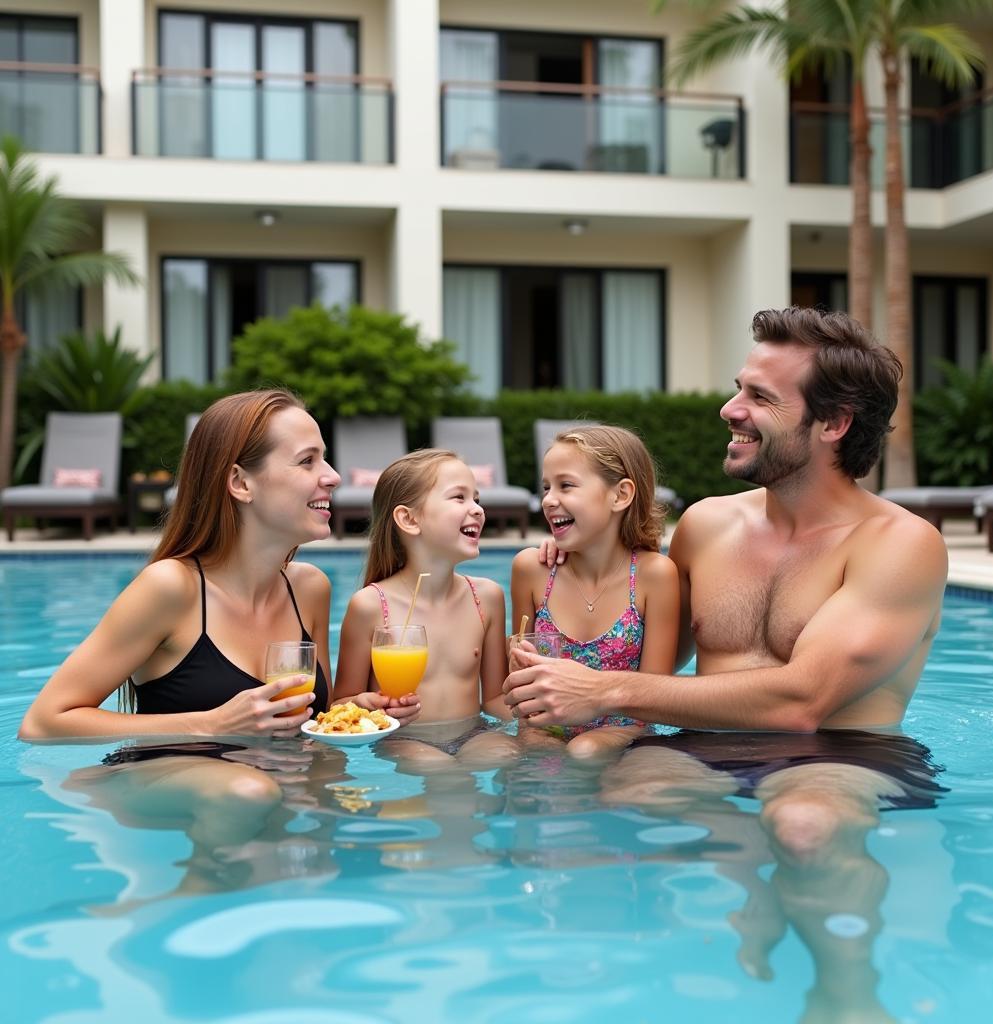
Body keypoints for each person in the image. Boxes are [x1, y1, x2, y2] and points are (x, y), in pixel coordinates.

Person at [505, 308, 949, 1020]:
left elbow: (803, 700)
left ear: (833, 423)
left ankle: (846, 994)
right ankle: (710, 938)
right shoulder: (709, 524)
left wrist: (604, 690)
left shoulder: (898, 544)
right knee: (622, 795)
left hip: (838, 751)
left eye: (760, 398)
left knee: (804, 823)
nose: (729, 409)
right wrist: (579, 555)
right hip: (706, 746)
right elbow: (649, 634)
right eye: (738, 387)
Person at [17, 389, 410, 874]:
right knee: (247, 789)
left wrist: (354, 713)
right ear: (240, 483)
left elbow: (312, 719)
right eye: (307, 461)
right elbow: (42, 723)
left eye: (324, 460)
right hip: (159, 778)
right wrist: (211, 724)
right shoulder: (171, 588)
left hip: (271, 779)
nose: (331, 477)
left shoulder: (308, 588)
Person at [334, 449, 516, 767]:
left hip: (474, 732)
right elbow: (340, 705)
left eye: (477, 498)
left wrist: (539, 712)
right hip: (404, 739)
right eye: (459, 498)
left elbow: (493, 700)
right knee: (439, 770)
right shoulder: (372, 605)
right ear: (409, 519)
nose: (477, 509)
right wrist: (367, 705)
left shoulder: (487, 597)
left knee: (508, 755)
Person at [510, 424, 679, 758]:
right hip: (545, 734)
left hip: (625, 735)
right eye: (546, 488)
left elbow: (653, 701)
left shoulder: (654, 577)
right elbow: (521, 695)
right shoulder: (532, 570)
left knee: (585, 750)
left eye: (566, 486)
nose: (548, 500)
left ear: (621, 495)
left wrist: (591, 744)